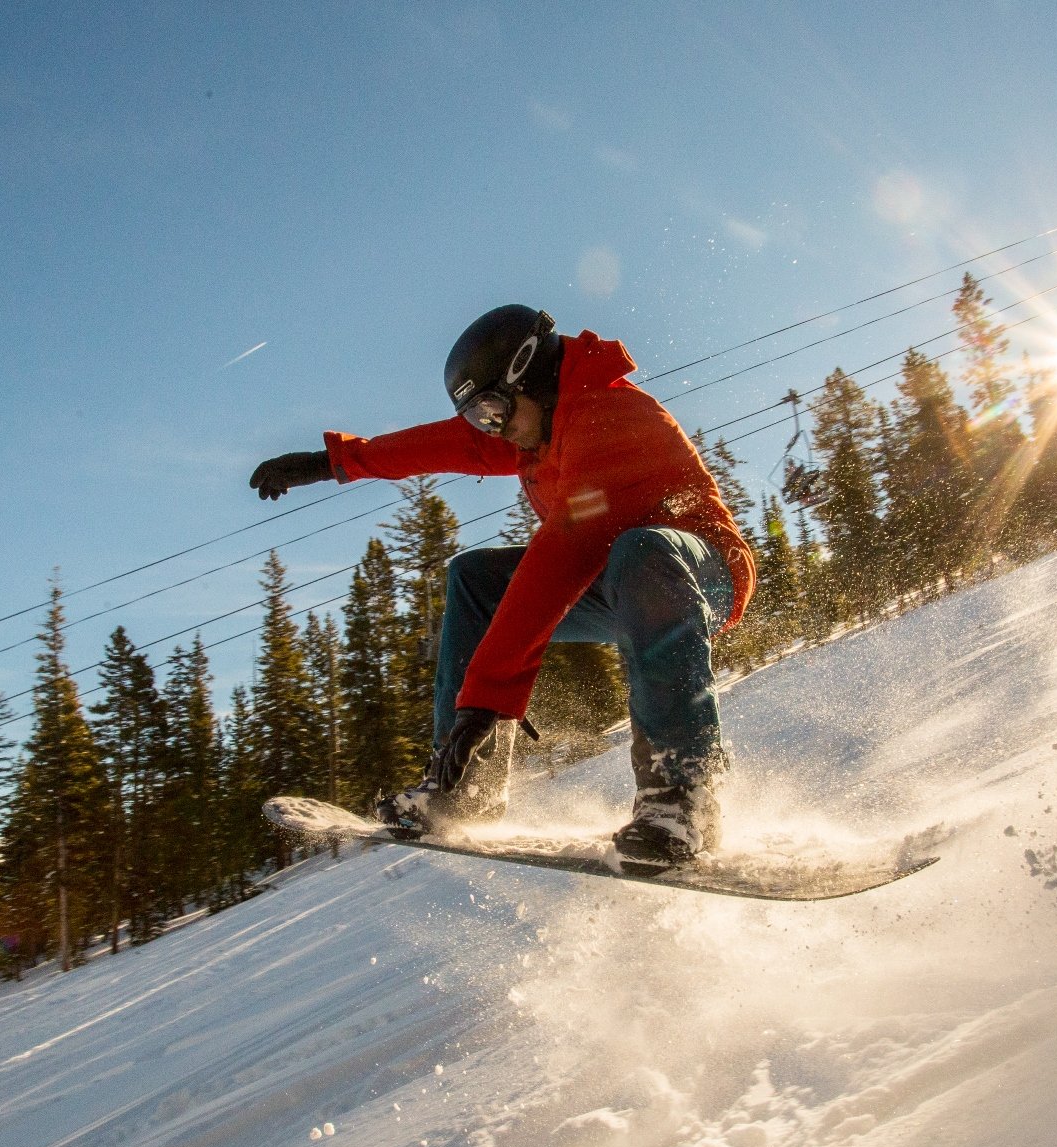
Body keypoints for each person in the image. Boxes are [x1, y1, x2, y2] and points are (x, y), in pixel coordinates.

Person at [247, 306, 755, 863]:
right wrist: (336, 461)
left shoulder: (610, 415)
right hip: (615, 581)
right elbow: (442, 445)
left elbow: (560, 555)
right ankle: (465, 788)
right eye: (480, 418)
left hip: (697, 574)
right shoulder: (538, 426)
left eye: (492, 410)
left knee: (642, 551)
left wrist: (484, 700)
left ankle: (681, 793)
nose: (494, 428)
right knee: (475, 580)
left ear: (528, 373)